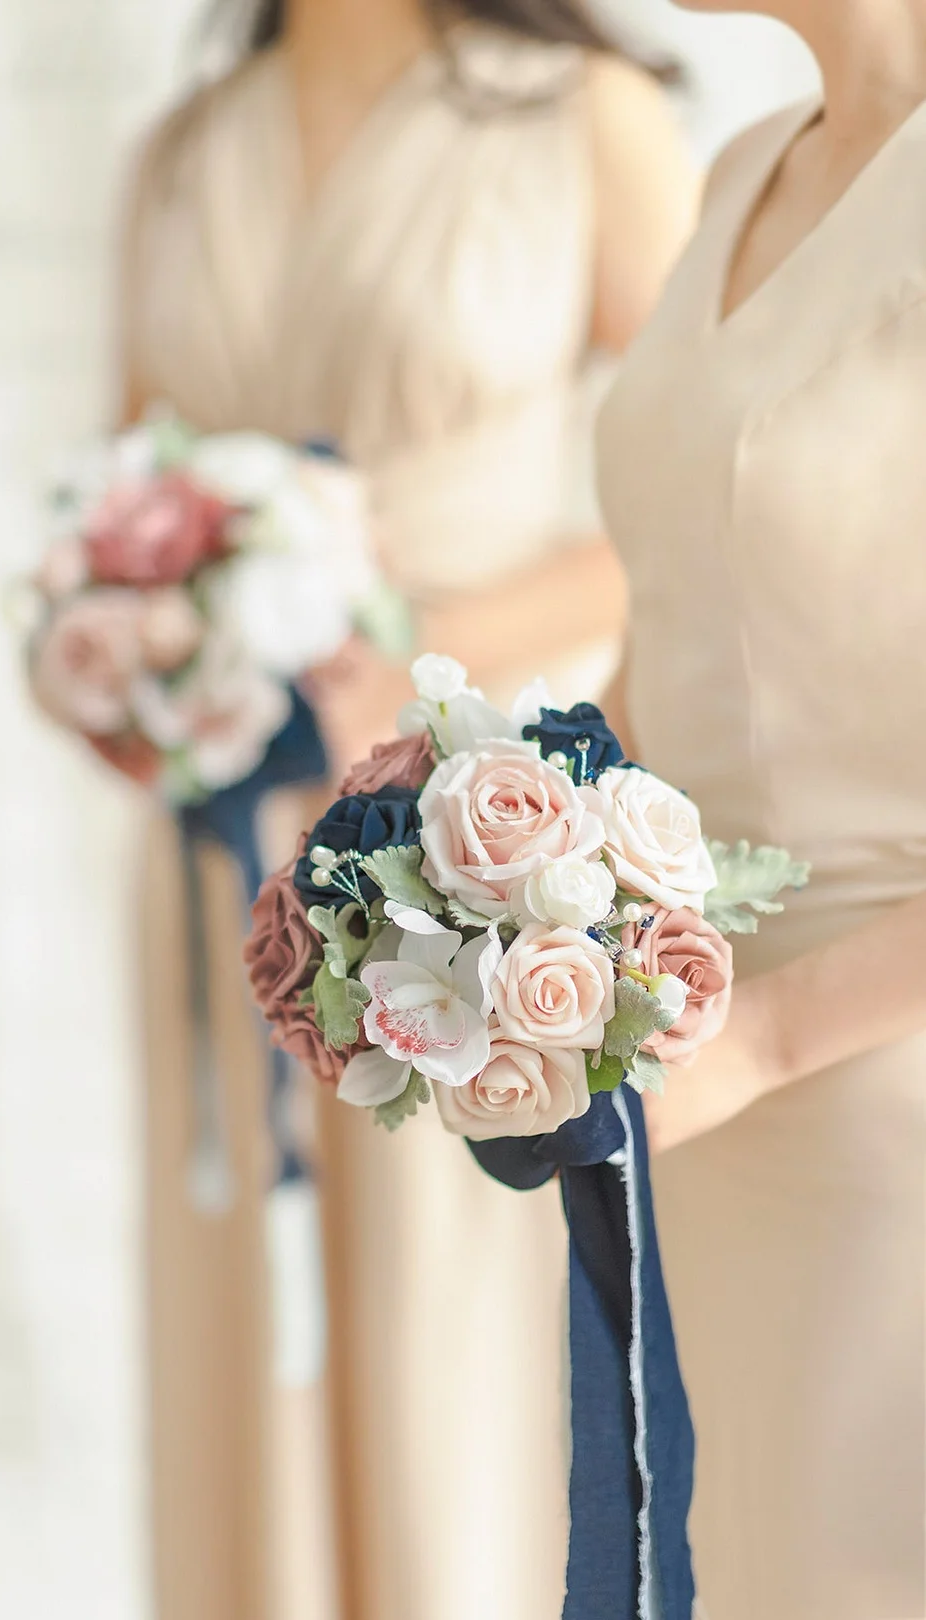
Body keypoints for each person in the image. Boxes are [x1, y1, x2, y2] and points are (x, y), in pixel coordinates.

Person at [120, 3, 695, 1616]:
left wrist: (394, 659)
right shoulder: (175, 157)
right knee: (244, 1336)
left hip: (467, 850)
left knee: (467, 1350)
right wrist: (122, 671)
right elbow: (125, 496)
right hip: (221, 842)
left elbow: (693, 507)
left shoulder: (584, 116)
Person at [597, 1, 926, 1615]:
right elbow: (675, 624)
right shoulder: (737, 172)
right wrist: (469, 827)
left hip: (886, 1086)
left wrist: (779, 1039)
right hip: (692, 1075)